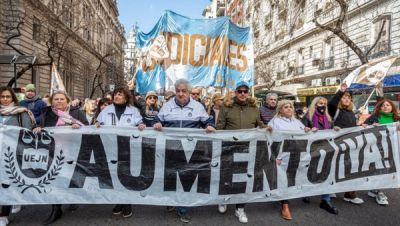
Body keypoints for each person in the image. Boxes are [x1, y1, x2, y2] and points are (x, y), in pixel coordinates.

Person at [153, 79, 215, 223]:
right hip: (171, 149)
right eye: (178, 91)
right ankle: (170, 201)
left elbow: (208, 121)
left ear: (188, 92)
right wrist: (156, 123)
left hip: (190, 150)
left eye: (184, 91)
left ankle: (183, 209)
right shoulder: (167, 106)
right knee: (170, 176)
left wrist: (211, 126)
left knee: (186, 179)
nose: (181, 94)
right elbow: (157, 119)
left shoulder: (198, 107)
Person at [33, 90, 88, 225]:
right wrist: (37, 127)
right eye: (56, 99)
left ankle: (71, 198)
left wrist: (78, 127)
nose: (58, 101)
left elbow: (87, 128)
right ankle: (56, 209)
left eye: (61, 99)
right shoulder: (47, 113)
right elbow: (38, 123)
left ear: (67, 101)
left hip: (71, 151)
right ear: (52, 101)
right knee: (54, 179)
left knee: (69, 178)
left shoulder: (77, 113)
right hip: (53, 151)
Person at [216, 81, 264, 224]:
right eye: (240, 91)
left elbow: (259, 124)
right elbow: (220, 126)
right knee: (226, 176)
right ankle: (224, 199)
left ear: (248, 92)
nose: (243, 93)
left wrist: (266, 128)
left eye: (245, 91)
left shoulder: (254, 107)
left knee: (244, 179)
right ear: (235, 92)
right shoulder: (227, 106)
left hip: (248, 148)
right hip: (229, 148)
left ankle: (240, 208)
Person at [96, 87, 145, 218]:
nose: (117, 97)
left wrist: (141, 126)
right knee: (114, 177)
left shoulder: (134, 111)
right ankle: (118, 202)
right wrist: (97, 124)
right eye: (116, 94)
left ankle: (127, 203)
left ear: (126, 97)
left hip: (127, 149)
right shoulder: (106, 110)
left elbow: (140, 124)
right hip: (110, 148)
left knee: (125, 177)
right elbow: (97, 123)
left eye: (120, 95)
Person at [266, 99, 312, 221]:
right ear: (280, 110)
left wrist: (307, 130)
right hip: (281, 155)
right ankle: (285, 206)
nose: (289, 109)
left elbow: (304, 133)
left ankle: (285, 198)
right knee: (283, 179)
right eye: (285, 107)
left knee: (291, 178)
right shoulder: (275, 121)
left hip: (295, 154)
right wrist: (274, 156)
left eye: (290, 107)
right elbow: (269, 139)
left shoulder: (297, 122)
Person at [0, 86, 35, 226]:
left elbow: (27, 132)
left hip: (13, 153)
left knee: (7, 181)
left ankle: (3, 214)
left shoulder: (21, 113)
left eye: (8, 97)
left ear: (13, 98)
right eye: (2, 96)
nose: (5, 99)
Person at [328, 82, 364, 205]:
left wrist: (361, 126)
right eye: (344, 97)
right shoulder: (335, 111)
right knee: (335, 167)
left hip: (351, 145)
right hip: (338, 144)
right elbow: (331, 103)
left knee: (351, 168)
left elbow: (352, 127)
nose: (347, 99)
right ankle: (330, 189)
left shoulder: (351, 113)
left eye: (349, 98)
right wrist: (341, 91)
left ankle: (349, 194)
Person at [302, 96, 338, 214]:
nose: (322, 105)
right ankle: (306, 192)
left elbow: (331, 128)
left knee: (325, 172)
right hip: (312, 149)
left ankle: (325, 200)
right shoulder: (308, 116)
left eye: (324, 103)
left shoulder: (328, 117)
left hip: (326, 149)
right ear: (315, 104)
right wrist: (307, 129)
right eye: (320, 103)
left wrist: (335, 128)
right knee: (311, 172)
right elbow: (300, 130)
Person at [362, 99, 400, 206]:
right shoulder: (375, 117)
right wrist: (368, 126)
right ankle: (379, 192)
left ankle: (374, 189)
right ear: (380, 107)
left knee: (389, 170)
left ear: (392, 107)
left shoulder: (396, 119)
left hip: (393, 149)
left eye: (388, 105)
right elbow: (363, 126)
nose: (385, 107)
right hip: (378, 148)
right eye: (383, 105)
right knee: (380, 169)